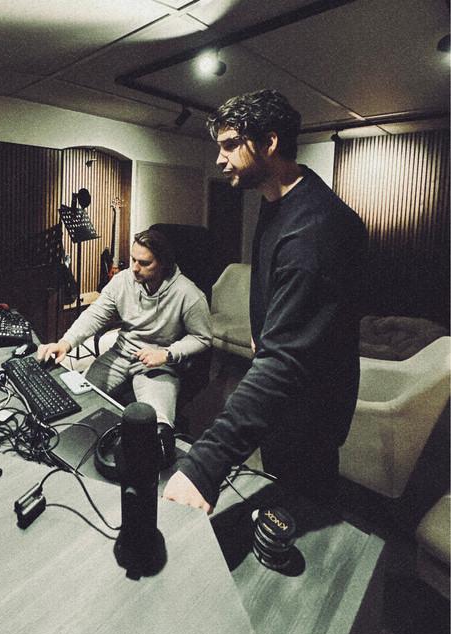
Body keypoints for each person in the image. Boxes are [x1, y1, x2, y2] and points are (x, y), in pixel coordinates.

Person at [163, 89, 368, 512]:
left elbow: (286, 361)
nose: (220, 159)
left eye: (230, 145)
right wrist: (264, 332)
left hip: (311, 406)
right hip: (285, 397)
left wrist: (204, 467)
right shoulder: (276, 202)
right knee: (276, 487)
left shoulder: (315, 230)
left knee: (300, 509)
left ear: (270, 142)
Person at [38, 228, 212, 457]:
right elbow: (96, 314)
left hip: (156, 363)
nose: (135, 268)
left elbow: (202, 337)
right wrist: (66, 343)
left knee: (156, 429)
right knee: (80, 401)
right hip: (120, 354)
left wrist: (167, 354)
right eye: (133, 260)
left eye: (144, 263)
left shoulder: (188, 293)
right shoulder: (123, 280)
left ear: (163, 264)